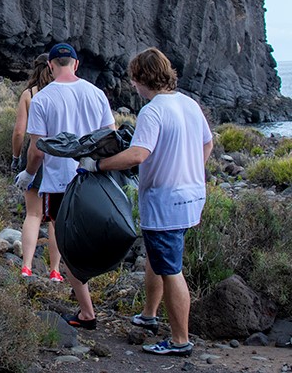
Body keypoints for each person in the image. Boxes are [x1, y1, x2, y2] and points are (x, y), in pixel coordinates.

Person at [79, 47, 213, 356]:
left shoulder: (153, 110)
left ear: (142, 78)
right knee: (158, 255)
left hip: (166, 200)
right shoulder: (189, 104)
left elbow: (138, 154)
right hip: (191, 194)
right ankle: (150, 315)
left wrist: (98, 165)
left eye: (134, 80)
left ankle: (180, 341)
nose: (134, 87)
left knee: (170, 268)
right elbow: (207, 142)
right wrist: (191, 169)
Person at [14, 43, 115, 329]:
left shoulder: (44, 99)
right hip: (93, 178)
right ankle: (84, 293)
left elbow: (37, 150)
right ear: (76, 64)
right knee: (86, 237)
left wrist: (28, 174)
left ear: (50, 66)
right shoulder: (97, 95)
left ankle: (86, 311)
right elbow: (111, 138)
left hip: (59, 182)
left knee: (66, 238)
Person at [11, 53, 63, 281]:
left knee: (33, 214)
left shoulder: (29, 95)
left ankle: (26, 267)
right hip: (58, 159)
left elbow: (19, 132)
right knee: (55, 218)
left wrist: (15, 157)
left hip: (33, 157)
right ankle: (55, 271)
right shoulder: (61, 93)